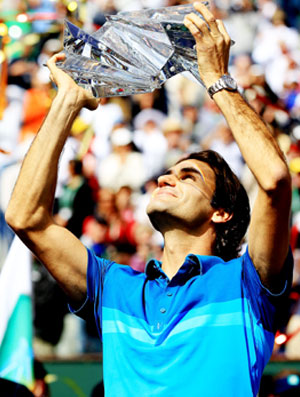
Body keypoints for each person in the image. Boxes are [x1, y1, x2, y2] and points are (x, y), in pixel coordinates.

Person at [5, 3, 293, 396]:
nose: (165, 177)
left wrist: (217, 79)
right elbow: (25, 218)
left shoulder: (248, 283)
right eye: (169, 172)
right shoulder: (114, 288)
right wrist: (67, 101)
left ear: (221, 212)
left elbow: (275, 179)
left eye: (187, 175)